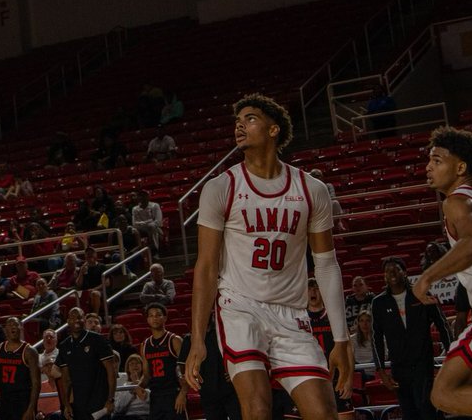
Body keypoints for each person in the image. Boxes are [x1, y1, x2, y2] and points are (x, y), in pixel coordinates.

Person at [185, 94, 353, 420]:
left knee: (324, 412)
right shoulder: (221, 187)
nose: (239, 126)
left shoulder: (311, 190)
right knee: (258, 409)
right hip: (240, 306)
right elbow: (205, 267)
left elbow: (326, 264)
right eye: (237, 121)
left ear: (274, 129)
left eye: (249, 119)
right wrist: (197, 339)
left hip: (292, 312)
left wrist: (341, 339)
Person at [412, 127, 472, 419]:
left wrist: (426, 277)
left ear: (461, 167)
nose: (428, 167)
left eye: (437, 160)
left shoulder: (456, 201)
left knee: (444, 393)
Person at [371, 256, 449, 420]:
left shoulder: (421, 294)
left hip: (423, 364)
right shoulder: (378, 303)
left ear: (405, 272)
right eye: (387, 271)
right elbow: (376, 338)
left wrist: (451, 354)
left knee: (426, 409)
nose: (392, 273)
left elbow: (442, 325)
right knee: (409, 413)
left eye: (396, 269)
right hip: (399, 368)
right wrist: (381, 371)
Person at [302, 279, 354, 420]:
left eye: (316, 288)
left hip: (337, 378)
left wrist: (349, 379)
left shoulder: (334, 317)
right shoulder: (300, 319)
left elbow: (348, 349)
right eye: (309, 289)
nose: (313, 292)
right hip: (311, 379)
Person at [57, 307, 117, 420]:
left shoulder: (98, 340)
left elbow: (111, 371)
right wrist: (66, 404)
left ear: (84, 320)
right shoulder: (64, 346)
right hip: (78, 405)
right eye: (72, 318)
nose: (76, 320)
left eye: (79, 317)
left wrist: (111, 399)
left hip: (100, 403)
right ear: (68, 321)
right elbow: (66, 379)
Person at [140, 305, 186, 420]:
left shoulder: (174, 340)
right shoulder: (145, 345)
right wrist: (139, 386)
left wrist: (183, 394)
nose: (154, 318)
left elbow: (185, 371)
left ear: (165, 318)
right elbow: (146, 375)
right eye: (151, 316)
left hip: (174, 394)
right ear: (147, 319)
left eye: (158, 315)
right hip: (155, 396)